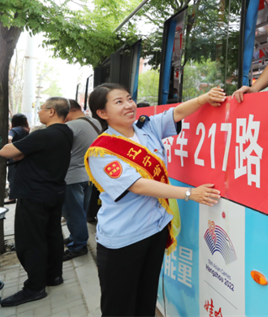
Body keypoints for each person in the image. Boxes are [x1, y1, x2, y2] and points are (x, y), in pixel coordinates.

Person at [86, 83, 223, 317]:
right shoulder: (101, 151)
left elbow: (175, 113)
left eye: (129, 99)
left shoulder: (146, 128)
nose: (129, 105)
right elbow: (137, 185)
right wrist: (189, 194)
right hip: (124, 237)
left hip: (155, 229)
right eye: (119, 102)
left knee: (146, 297)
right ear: (102, 113)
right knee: (119, 306)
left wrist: (204, 98)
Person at [0, 98, 73, 307]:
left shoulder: (44, 135)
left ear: (51, 111)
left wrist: (18, 151)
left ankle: (34, 287)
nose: (39, 112)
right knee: (52, 235)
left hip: (34, 195)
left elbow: (5, 151)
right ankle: (53, 276)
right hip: (54, 191)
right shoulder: (66, 132)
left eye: (41, 109)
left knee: (31, 241)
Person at [61, 99, 101, 261]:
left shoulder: (70, 126)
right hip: (88, 174)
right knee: (81, 211)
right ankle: (75, 237)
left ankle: (78, 246)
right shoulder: (94, 122)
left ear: (68, 111)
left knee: (73, 213)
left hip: (72, 177)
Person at [6, 114, 30, 203]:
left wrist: (10, 148)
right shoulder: (26, 130)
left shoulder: (14, 129)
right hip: (24, 155)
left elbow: (9, 138)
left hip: (15, 156)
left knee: (12, 176)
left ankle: (12, 197)